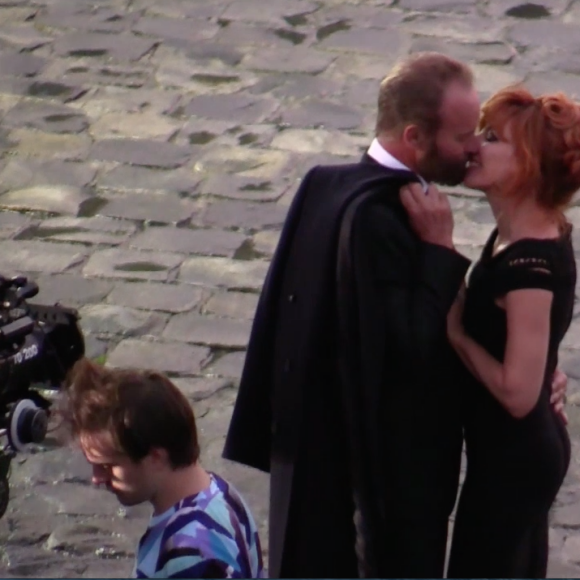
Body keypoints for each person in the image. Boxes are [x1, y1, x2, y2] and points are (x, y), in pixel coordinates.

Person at [222, 52, 568, 579]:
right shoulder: (380, 219)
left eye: (484, 136)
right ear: (415, 138)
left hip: (336, 458)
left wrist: (534, 371)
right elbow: (411, 350)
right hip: (377, 477)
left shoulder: (322, 183)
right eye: (464, 137)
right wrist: (440, 255)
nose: (472, 147)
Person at [417, 85, 575, 578]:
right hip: (508, 452)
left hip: (516, 462)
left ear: (528, 165)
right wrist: (548, 366)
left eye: (492, 139)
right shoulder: (519, 233)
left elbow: (517, 394)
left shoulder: (531, 264)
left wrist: (458, 332)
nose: (474, 146)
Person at [59, 357, 264, 579]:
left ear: (156, 457)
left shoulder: (189, 558)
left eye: (107, 466)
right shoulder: (222, 492)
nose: (96, 478)